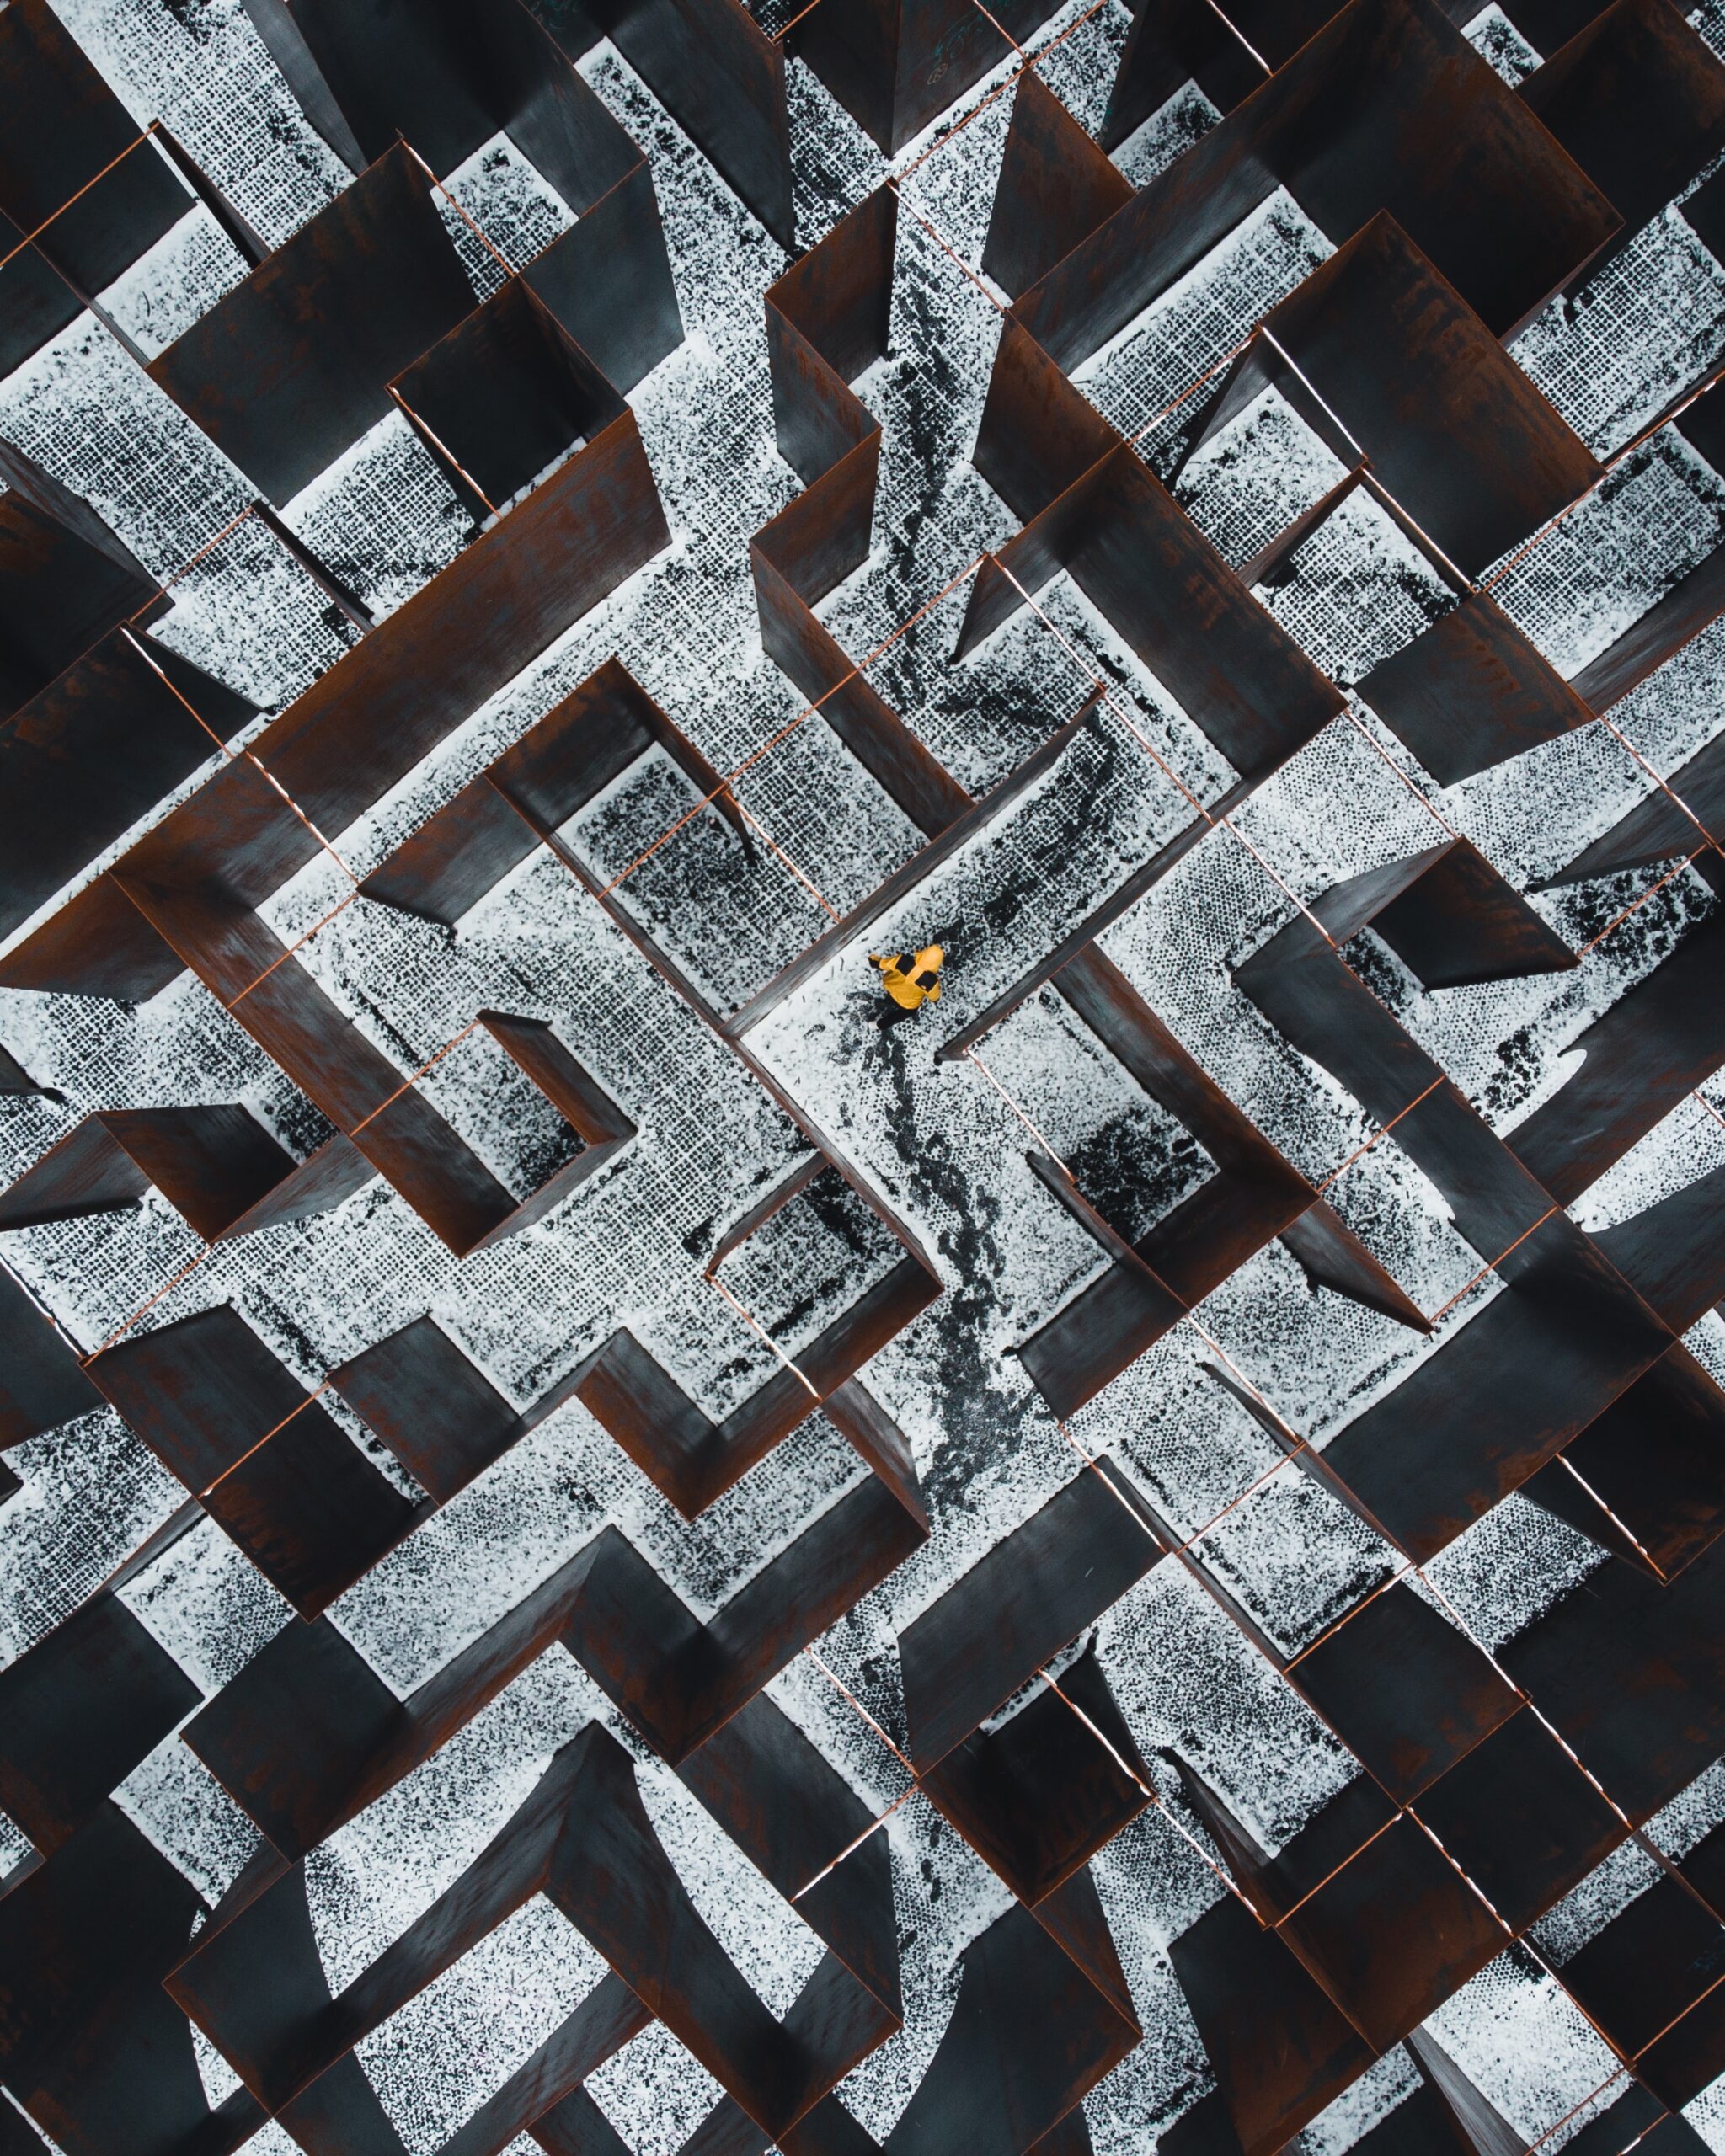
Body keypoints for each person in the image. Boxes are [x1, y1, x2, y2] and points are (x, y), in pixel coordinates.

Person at [869, 944, 943, 1011]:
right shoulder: (931, 983)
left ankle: (882, 1004)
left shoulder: (903, 960)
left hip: (890, 986)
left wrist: (872, 958)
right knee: (911, 1011)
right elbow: (935, 999)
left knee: (894, 969)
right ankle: (879, 1022)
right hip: (907, 1003)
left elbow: (879, 964)